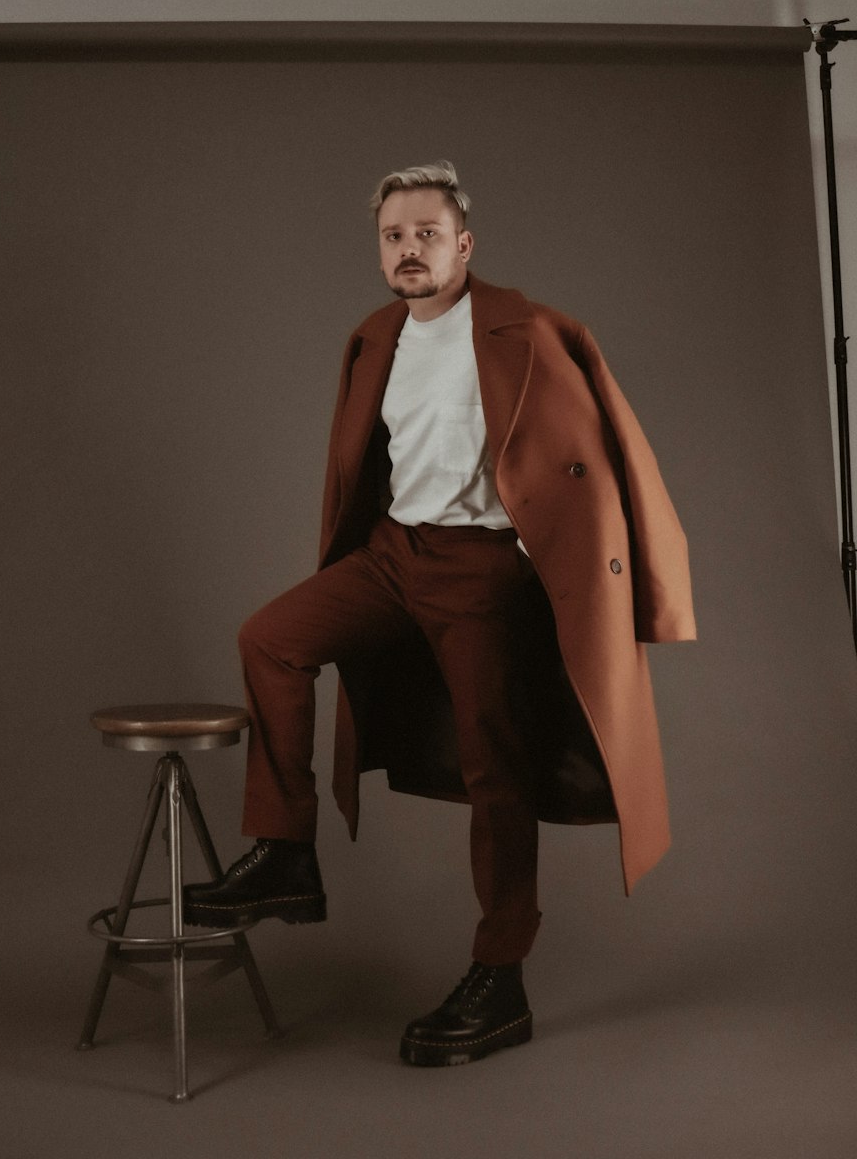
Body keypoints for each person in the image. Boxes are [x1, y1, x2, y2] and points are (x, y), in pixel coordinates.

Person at [183, 161, 695, 1067]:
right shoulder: (374, 337)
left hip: (487, 569)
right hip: (394, 554)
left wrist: (580, 575)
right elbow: (362, 469)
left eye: (426, 233)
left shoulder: (526, 328)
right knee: (271, 638)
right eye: (393, 236)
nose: (408, 250)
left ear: (464, 244)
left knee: (497, 768)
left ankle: (501, 976)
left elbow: (603, 452)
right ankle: (285, 850)